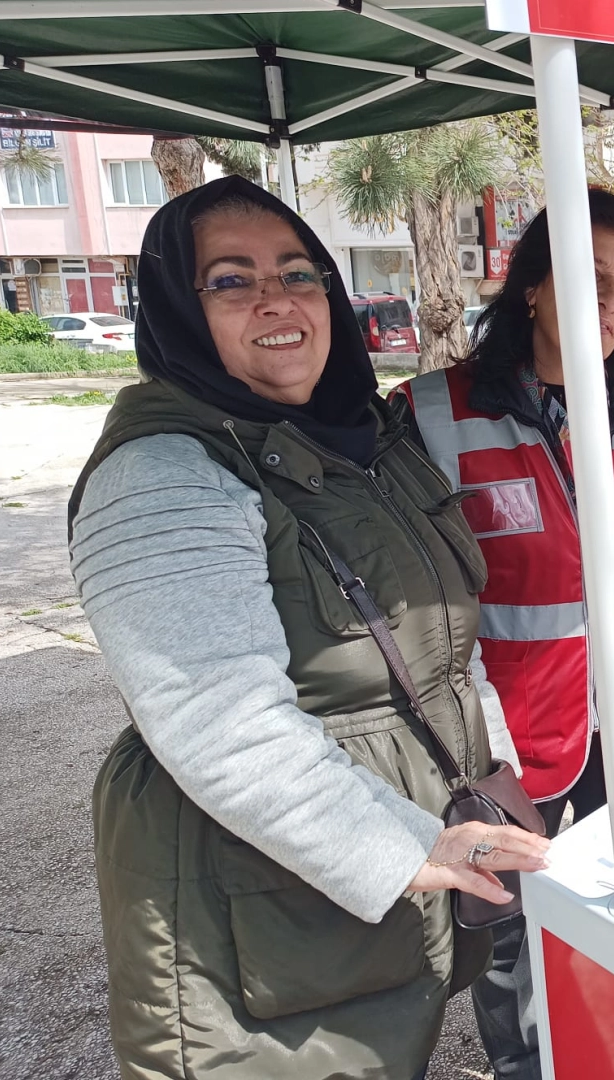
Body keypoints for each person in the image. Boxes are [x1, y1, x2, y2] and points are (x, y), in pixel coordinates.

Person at [68, 176, 550, 1078]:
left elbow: (446, 644)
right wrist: (406, 845)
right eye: (231, 280)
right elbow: (219, 724)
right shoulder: (162, 475)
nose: (276, 299)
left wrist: (493, 770)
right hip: (256, 918)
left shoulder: (362, 440)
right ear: (177, 308)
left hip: (366, 894)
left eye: (298, 273)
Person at [393, 188, 614, 1078]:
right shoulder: (433, 415)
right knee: (510, 936)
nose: (611, 302)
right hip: (507, 742)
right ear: (533, 286)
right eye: (589, 278)